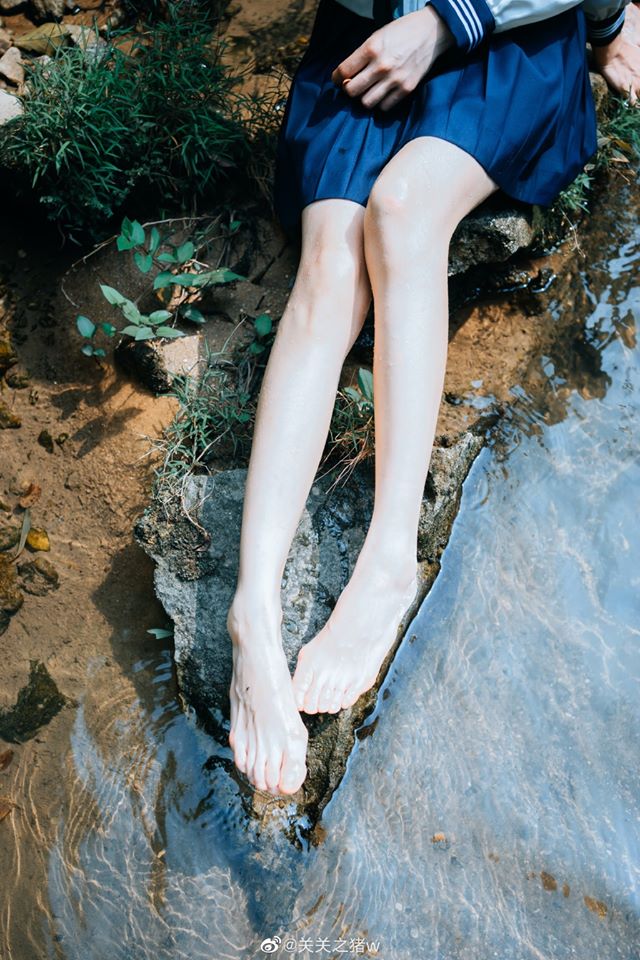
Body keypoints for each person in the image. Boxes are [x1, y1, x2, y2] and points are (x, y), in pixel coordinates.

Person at [225, 0, 640, 797]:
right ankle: (253, 610)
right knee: (329, 268)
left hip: (507, 38)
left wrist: (471, 22)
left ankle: (389, 559)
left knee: (402, 209)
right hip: (365, 44)